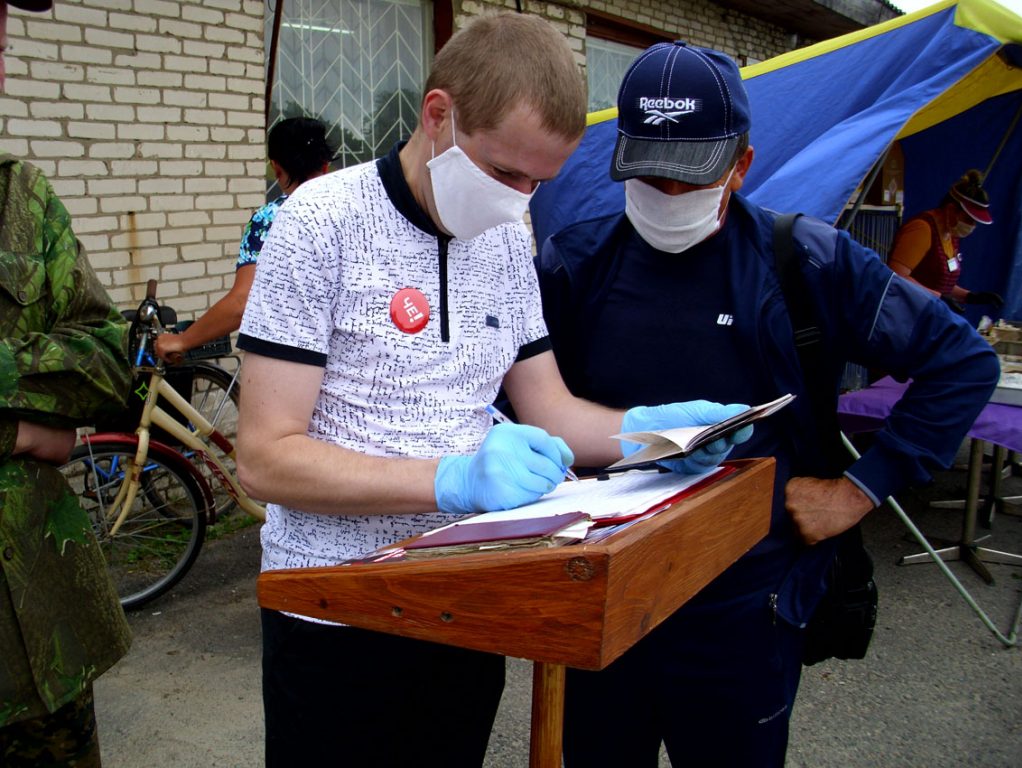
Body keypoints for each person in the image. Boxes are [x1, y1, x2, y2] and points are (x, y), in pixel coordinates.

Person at [234, 15, 754, 768]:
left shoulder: (507, 239)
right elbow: (265, 459)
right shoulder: (320, 224)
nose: (520, 197)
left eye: (539, 180)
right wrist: (450, 479)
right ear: (438, 114)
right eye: (506, 172)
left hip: (468, 597)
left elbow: (550, 408)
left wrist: (657, 434)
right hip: (332, 616)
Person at [534, 42, 1000, 767]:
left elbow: (964, 362)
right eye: (647, 172)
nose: (664, 193)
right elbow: (523, 409)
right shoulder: (574, 265)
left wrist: (862, 488)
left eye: (688, 177)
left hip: (743, 610)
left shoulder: (806, 263)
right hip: (604, 598)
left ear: (741, 165)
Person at [0, 1, 133, 765]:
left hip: (41, 639)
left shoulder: (21, 196)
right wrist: (19, 429)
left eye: (1, 47)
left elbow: (108, 359)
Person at [155, 117, 334, 364]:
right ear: (325, 166)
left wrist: (182, 340)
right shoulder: (360, 213)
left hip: (297, 369)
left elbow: (242, 301)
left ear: (276, 168)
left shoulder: (270, 219)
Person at [888, 168, 1004, 314]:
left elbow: (940, 283)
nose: (972, 226)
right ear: (950, 209)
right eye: (968, 219)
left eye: (975, 222)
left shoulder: (951, 235)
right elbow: (897, 276)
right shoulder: (922, 229)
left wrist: (969, 297)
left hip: (929, 315)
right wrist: (939, 298)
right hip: (904, 314)